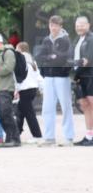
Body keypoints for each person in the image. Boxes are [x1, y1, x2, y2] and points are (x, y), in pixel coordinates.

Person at [35, 15, 74, 146]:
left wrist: (51, 58)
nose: (53, 28)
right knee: (47, 107)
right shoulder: (46, 40)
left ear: (60, 26)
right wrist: (51, 58)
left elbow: (64, 58)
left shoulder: (66, 40)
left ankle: (69, 137)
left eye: (56, 25)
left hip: (62, 76)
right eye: (51, 25)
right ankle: (49, 137)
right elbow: (39, 57)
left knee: (66, 106)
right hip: (48, 77)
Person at [13, 41, 43, 143]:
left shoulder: (20, 59)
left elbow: (17, 76)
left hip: (24, 89)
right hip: (32, 88)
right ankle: (16, 133)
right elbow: (37, 75)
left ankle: (37, 135)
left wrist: (15, 88)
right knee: (20, 111)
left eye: (16, 48)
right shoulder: (32, 60)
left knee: (29, 113)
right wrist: (41, 87)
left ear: (20, 49)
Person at [73, 15, 93, 146]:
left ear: (88, 25)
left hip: (90, 75)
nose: (79, 27)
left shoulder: (91, 39)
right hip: (81, 76)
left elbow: (86, 60)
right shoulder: (78, 40)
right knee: (85, 106)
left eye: (82, 24)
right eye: (77, 25)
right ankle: (89, 136)